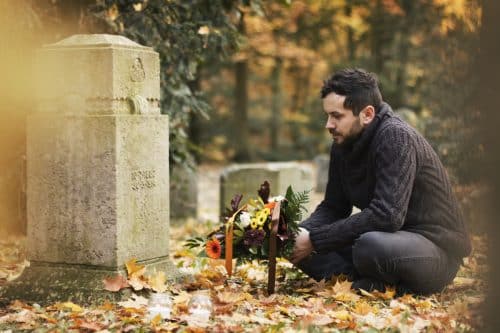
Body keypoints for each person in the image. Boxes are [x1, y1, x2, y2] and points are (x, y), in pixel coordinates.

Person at [290, 68, 471, 295]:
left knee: (368, 245)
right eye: (327, 115)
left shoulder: (396, 137)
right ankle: (365, 283)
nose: (329, 124)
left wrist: (315, 239)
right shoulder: (341, 145)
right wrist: (297, 234)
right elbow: (333, 207)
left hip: (434, 250)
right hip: (389, 240)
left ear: (367, 114)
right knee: (300, 247)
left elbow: (387, 215)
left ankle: (371, 281)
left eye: (337, 116)